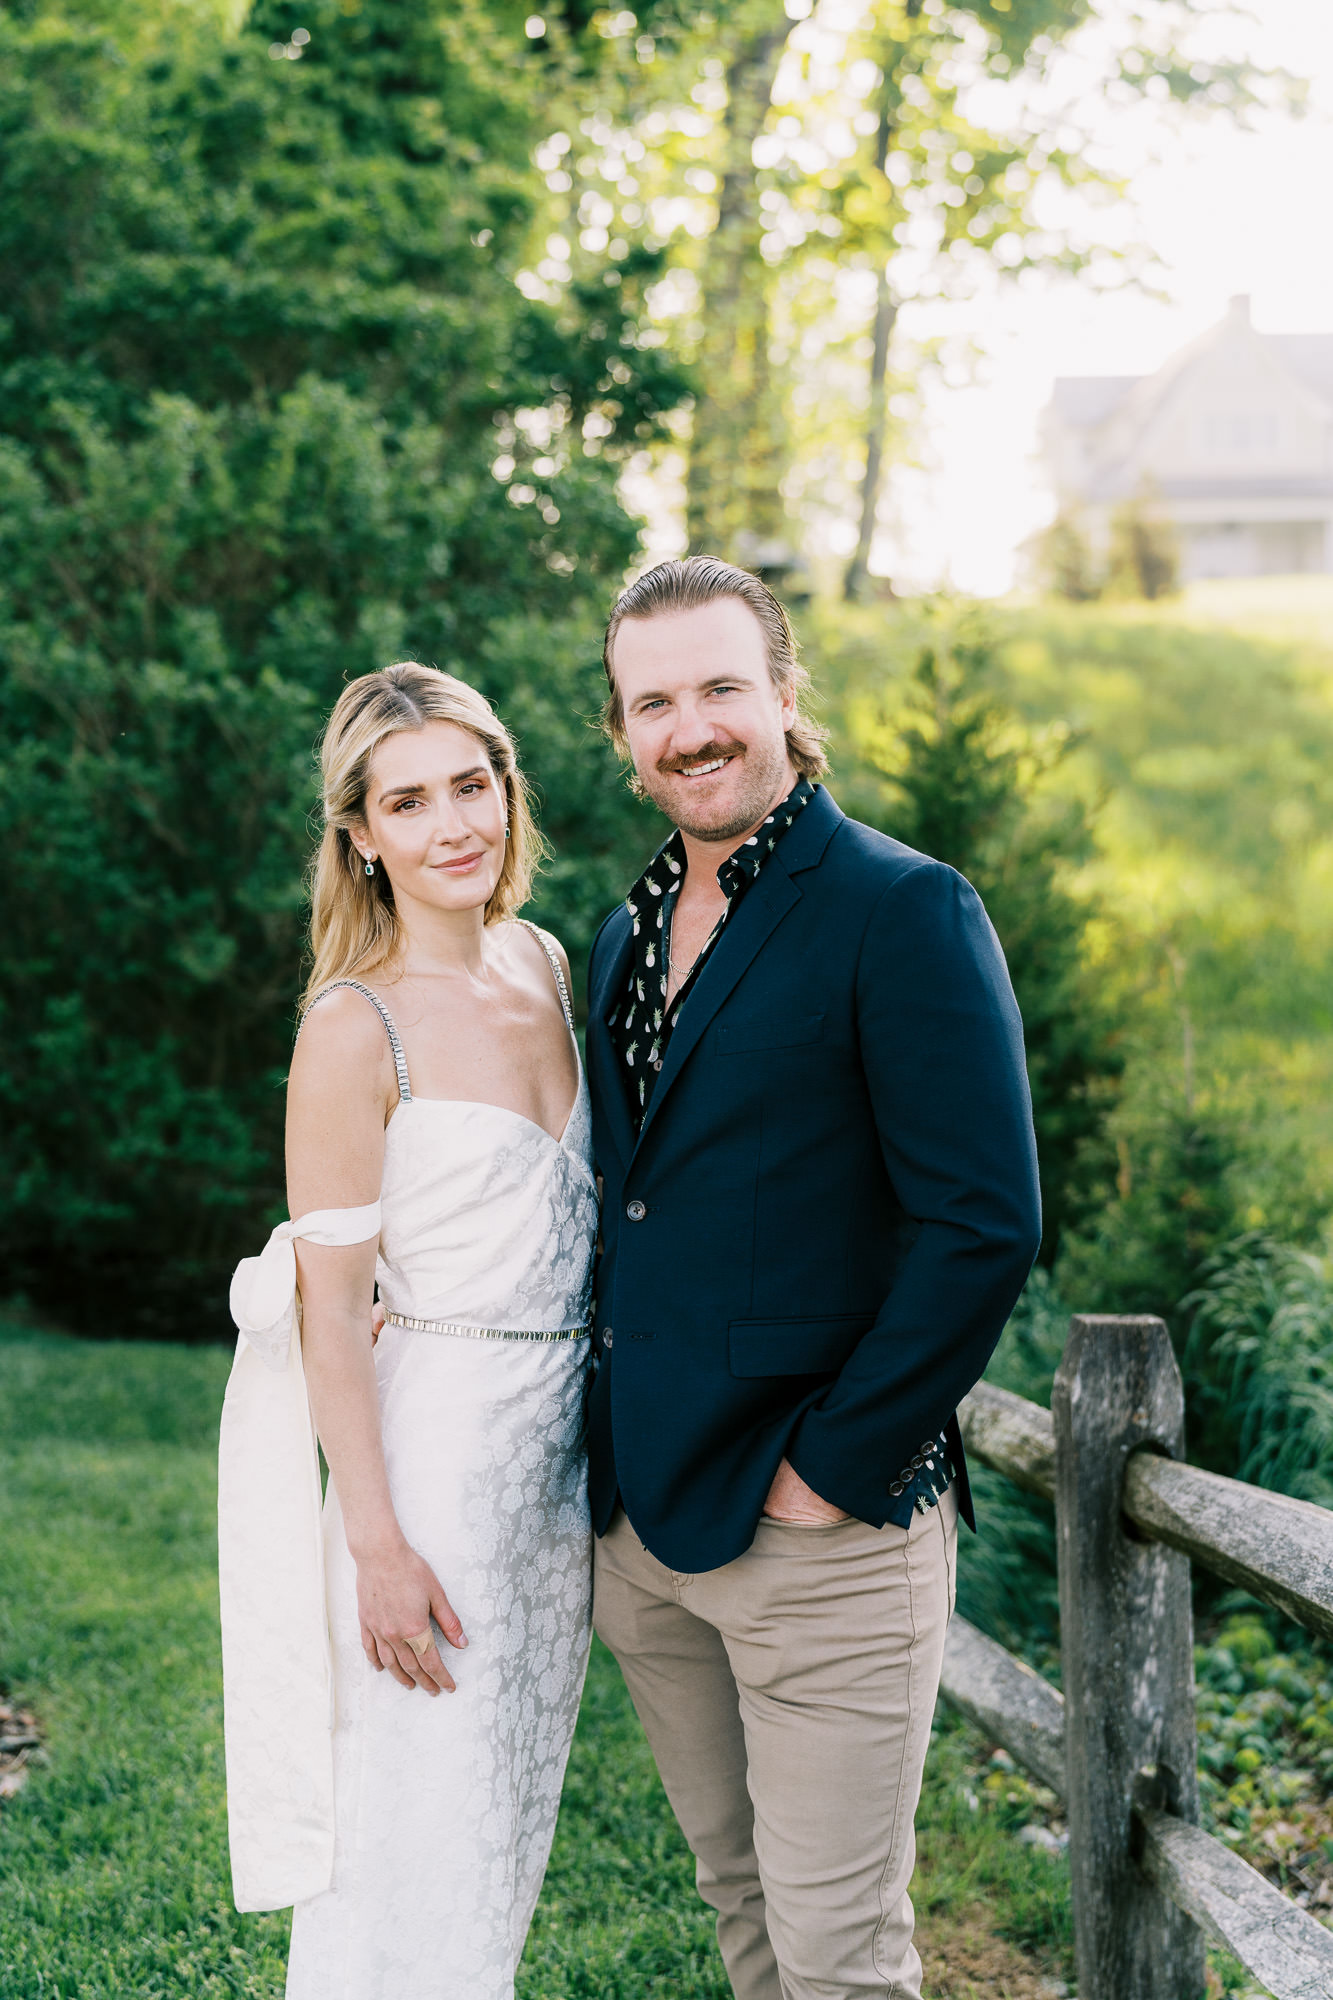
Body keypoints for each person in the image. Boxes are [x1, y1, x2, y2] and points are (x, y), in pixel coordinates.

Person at [584, 557, 1042, 2000]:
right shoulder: (624, 933)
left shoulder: (901, 907)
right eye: (654, 703)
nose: (692, 729)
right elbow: (629, 1202)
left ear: (785, 694)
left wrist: (832, 1471)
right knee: (741, 1909)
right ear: (621, 733)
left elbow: (983, 1224)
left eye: (721, 688)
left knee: (839, 1953)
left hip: (822, 1536)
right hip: (645, 1532)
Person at [217, 663, 597, 2000]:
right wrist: (375, 1548)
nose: (452, 826)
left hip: (556, 1481)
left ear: (508, 791)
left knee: (493, 1851)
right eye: (409, 801)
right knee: (406, 1851)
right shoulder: (351, 1025)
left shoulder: (545, 963)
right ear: (360, 835)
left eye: (471, 786)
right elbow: (331, 1311)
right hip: (429, 1480)